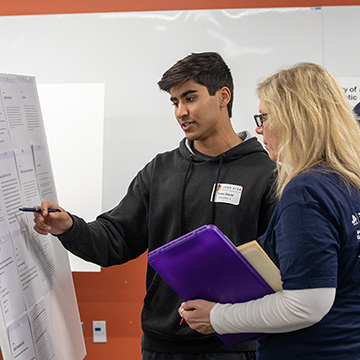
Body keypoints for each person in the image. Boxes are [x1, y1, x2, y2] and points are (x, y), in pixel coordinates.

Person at [33, 52, 276, 360]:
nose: (181, 112)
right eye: (175, 102)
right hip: (161, 347)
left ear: (223, 96)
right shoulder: (160, 171)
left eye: (190, 98)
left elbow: (282, 273)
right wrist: (69, 227)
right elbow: (115, 239)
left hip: (236, 348)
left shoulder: (266, 174)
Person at [178, 62, 360, 359]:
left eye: (264, 116)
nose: (259, 128)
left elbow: (306, 305)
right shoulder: (347, 181)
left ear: (294, 118)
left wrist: (217, 317)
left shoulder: (306, 191)